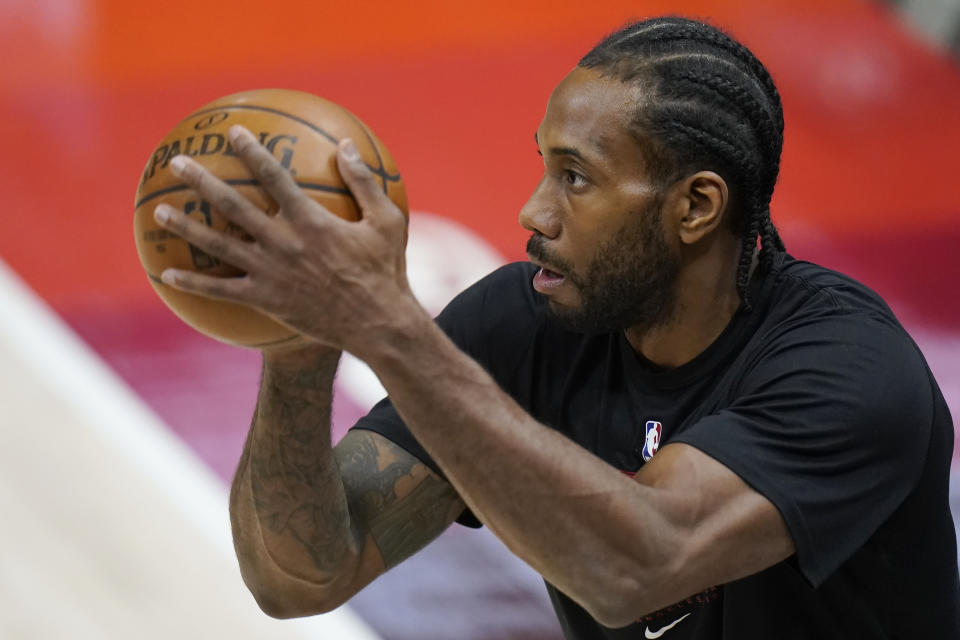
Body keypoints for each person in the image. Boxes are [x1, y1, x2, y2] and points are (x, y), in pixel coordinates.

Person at [151, 15, 960, 639]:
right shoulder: (526, 322)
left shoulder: (849, 370)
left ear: (696, 206)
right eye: (543, 165)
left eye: (575, 177)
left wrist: (387, 324)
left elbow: (636, 566)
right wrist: (299, 344)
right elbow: (300, 580)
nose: (533, 211)